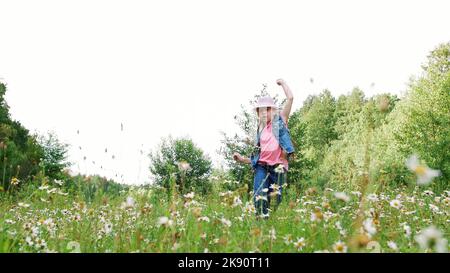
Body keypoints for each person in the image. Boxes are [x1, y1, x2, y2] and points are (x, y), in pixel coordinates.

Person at [233, 79, 295, 218]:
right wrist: (242, 159)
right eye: (260, 110)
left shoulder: (281, 121)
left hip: (278, 168)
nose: (263, 112)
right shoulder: (260, 131)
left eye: (267, 109)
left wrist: (283, 83)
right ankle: (261, 222)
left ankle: (269, 224)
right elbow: (258, 157)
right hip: (262, 167)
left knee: (275, 200)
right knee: (259, 197)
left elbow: (290, 98)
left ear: (273, 110)